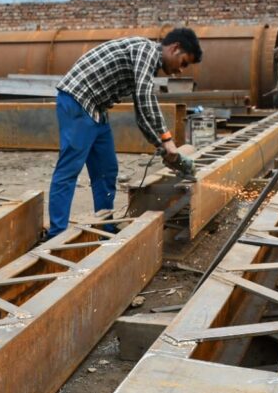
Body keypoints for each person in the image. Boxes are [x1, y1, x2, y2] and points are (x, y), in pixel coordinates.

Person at [47, 28, 203, 238]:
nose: (182, 70)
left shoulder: (147, 61)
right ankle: (56, 235)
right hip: (78, 100)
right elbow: (144, 97)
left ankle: (106, 227)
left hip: (96, 108)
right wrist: (166, 140)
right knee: (69, 170)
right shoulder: (147, 50)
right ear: (175, 48)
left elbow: (141, 111)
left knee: (107, 170)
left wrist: (162, 146)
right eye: (184, 62)